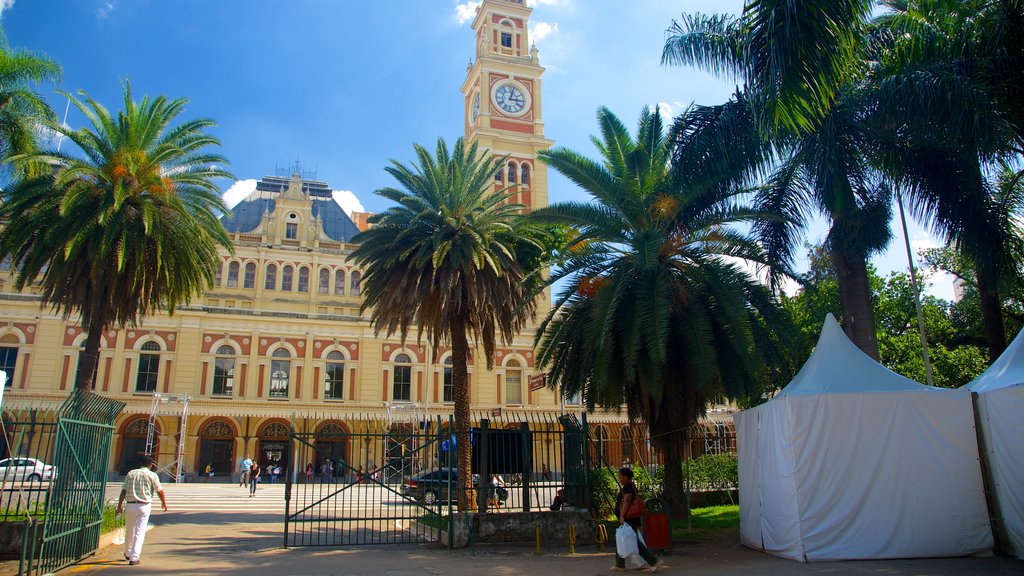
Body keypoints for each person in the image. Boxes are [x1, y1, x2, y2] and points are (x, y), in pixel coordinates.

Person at [115, 455, 167, 566]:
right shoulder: (152, 475)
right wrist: (163, 503)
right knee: (139, 532)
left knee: (129, 530)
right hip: (144, 506)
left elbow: (123, 491)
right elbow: (160, 491)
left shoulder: (131, 473)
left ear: (140, 463)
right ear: (151, 465)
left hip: (130, 505)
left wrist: (119, 506)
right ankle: (134, 557)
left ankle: (127, 552)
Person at [612, 467, 659, 572]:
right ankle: (619, 564)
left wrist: (622, 516)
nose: (620, 479)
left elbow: (627, 502)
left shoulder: (628, 487)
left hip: (629, 519)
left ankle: (654, 561)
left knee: (633, 542)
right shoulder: (629, 486)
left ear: (625, 477)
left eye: (620, 477)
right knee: (621, 538)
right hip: (629, 519)